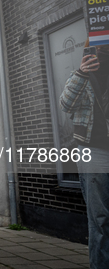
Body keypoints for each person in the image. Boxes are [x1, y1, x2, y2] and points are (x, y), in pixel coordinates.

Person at [59, 42, 109, 269]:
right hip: (94, 150)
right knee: (99, 218)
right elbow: (65, 104)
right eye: (96, 46)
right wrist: (81, 73)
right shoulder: (80, 75)